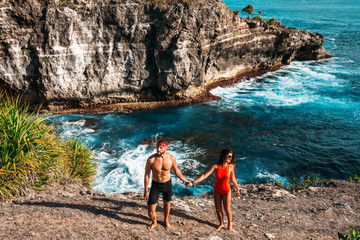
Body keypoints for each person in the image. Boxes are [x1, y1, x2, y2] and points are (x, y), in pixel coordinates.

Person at [188, 148, 240, 232]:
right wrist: (193, 182)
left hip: (226, 190)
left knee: (227, 209)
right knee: (218, 209)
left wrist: (237, 189)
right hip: (217, 190)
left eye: (231, 157)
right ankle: (221, 223)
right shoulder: (215, 166)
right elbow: (204, 175)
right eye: (229, 157)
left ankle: (230, 224)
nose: (231, 158)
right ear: (224, 156)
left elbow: (233, 179)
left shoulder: (231, 166)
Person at [144, 140, 191, 231]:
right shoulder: (151, 159)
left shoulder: (171, 158)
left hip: (167, 184)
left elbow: (176, 170)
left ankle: (166, 220)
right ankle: (154, 222)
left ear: (166, 148)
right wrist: (146, 190)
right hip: (155, 185)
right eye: (157, 147)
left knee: (167, 204)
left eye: (161, 147)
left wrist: (184, 181)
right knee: (150, 209)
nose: (158, 149)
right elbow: (147, 175)